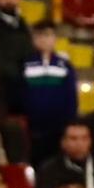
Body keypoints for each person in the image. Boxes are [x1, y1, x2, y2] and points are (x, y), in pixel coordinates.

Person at [16, 20, 76, 160]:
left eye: (48, 35)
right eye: (39, 35)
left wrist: (69, 122)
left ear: (55, 38)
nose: (44, 39)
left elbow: (71, 96)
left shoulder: (64, 65)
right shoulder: (26, 64)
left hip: (59, 128)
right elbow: (21, 92)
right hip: (33, 128)